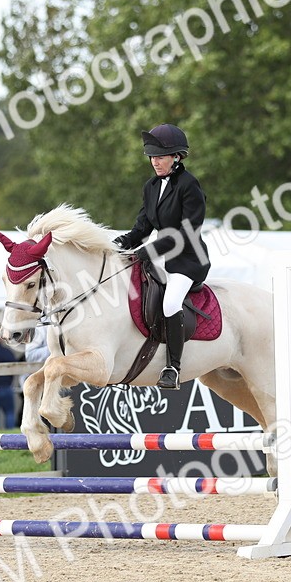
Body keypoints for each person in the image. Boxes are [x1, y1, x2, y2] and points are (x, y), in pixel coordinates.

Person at [113, 123, 210, 389]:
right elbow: (142, 227)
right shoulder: (151, 187)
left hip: (188, 260)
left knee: (169, 304)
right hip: (163, 258)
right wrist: (118, 244)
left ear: (176, 157)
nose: (154, 162)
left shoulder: (189, 185)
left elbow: (188, 231)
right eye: (152, 157)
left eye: (160, 157)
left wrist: (151, 250)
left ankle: (173, 369)